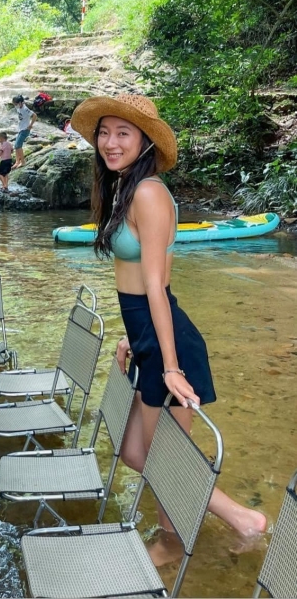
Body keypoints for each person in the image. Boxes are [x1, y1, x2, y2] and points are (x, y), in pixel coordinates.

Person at [70, 93, 267, 566]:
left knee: (164, 454)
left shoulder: (149, 193)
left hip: (168, 343)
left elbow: (158, 287)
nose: (110, 143)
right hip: (149, 338)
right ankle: (242, 519)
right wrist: (130, 338)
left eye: (123, 133)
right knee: (137, 451)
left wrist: (172, 366)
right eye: (104, 132)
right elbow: (136, 284)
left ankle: (174, 540)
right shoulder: (125, 188)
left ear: (144, 142)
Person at [12, 95, 36, 169]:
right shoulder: (20, 106)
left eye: (15, 104)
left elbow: (34, 115)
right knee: (16, 146)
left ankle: (23, 162)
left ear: (19, 103)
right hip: (20, 129)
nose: (15, 106)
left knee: (18, 146)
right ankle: (17, 162)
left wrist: (31, 125)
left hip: (25, 130)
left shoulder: (25, 109)